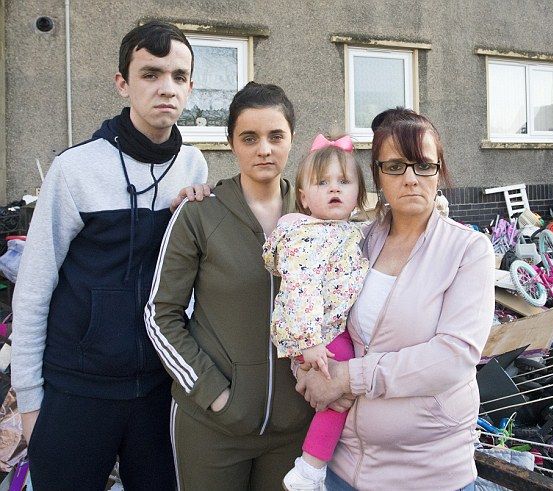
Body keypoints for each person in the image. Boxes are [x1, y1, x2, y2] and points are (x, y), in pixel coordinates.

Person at [11, 20, 210, 490]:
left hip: (159, 390)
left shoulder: (194, 165)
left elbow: (189, 279)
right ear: (123, 83)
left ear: (190, 87)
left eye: (179, 76)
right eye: (150, 74)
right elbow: (34, 288)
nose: (167, 88)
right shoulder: (75, 169)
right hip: (77, 389)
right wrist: (30, 402)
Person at [296, 108, 495, 491]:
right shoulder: (355, 241)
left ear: (439, 171)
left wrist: (347, 379)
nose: (410, 178)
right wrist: (307, 372)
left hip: (428, 474)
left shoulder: (467, 250)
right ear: (377, 176)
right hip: (342, 467)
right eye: (395, 166)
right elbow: (314, 314)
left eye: (424, 165)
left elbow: (453, 357)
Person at [144, 81, 314, 490]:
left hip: (293, 427)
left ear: (292, 139)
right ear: (231, 143)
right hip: (213, 426)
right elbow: (160, 315)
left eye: (276, 136)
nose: (264, 149)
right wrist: (214, 393)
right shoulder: (200, 213)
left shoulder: (315, 215)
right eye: (249, 138)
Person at [262, 134, 368, 490]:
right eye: (322, 183)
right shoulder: (307, 236)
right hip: (317, 335)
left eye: (344, 181)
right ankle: (309, 470)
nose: (334, 188)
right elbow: (300, 288)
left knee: (340, 396)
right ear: (304, 198)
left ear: (358, 194)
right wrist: (309, 342)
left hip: (327, 330)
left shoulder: (345, 231)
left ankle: (314, 467)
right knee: (339, 397)